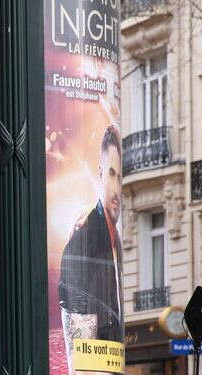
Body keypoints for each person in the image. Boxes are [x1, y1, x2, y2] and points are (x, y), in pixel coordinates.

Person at [59, 125, 124, 356]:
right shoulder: (85, 236)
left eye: (120, 177)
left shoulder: (114, 238)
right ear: (100, 173)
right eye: (111, 174)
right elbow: (80, 351)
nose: (116, 188)